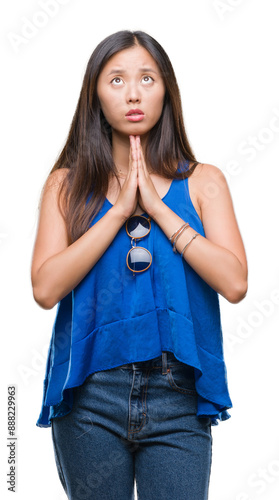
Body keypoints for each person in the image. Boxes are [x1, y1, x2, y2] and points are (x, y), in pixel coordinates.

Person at [31, 30, 248, 500]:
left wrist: (158, 206)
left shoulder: (204, 181)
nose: (132, 93)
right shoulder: (65, 186)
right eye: (116, 80)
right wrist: (118, 213)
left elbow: (234, 283)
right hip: (91, 394)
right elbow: (46, 289)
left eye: (147, 78)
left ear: (166, 90)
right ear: (95, 96)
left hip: (179, 396)